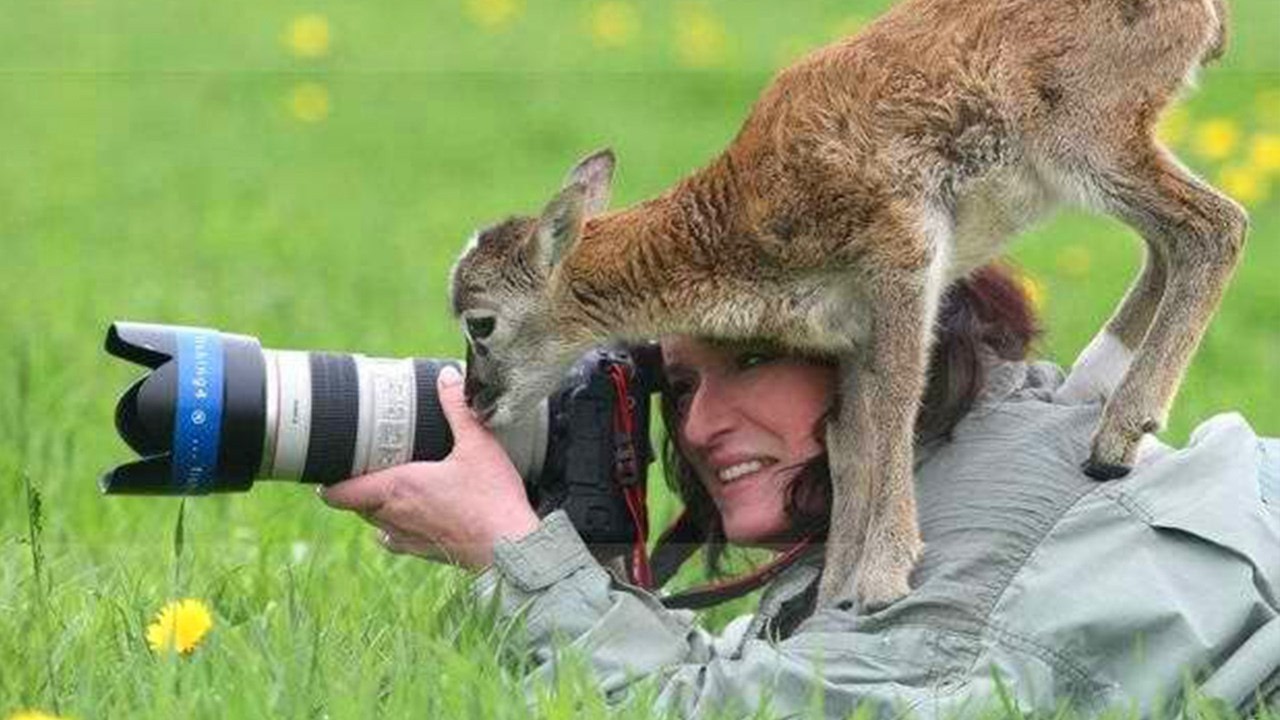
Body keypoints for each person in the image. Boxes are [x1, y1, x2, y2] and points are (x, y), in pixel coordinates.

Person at [319, 265, 1280, 719]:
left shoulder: (993, 533)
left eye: (752, 359)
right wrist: (550, 552)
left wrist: (514, 555)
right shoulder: (970, 463)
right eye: (680, 386)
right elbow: (764, 674)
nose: (699, 426)